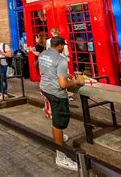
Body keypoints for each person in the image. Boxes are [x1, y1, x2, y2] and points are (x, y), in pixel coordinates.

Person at [39, 36, 85, 170]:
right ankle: (60, 156)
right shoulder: (61, 59)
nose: (63, 48)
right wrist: (77, 81)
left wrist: (65, 74)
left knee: (55, 116)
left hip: (45, 87)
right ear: (59, 46)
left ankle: (59, 137)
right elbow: (63, 84)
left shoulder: (43, 54)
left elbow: (46, 70)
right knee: (59, 122)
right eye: (63, 46)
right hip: (56, 93)